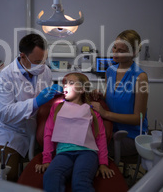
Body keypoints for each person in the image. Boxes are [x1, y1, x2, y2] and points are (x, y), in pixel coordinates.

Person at [0, 33, 62, 181]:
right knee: (6, 175)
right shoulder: (5, 77)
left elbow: (46, 101)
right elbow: (5, 113)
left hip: (38, 127)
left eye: (44, 60)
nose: (42, 65)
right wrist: (35, 102)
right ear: (23, 56)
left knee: (56, 167)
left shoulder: (45, 71)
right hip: (11, 131)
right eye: (37, 61)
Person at [35, 73, 114, 192]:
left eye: (71, 83)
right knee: (51, 177)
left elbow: (100, 136)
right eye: (65, 83)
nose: (66, 86)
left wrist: (103, 163)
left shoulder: (91, 110)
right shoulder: (57, 108)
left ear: (82, 89)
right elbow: (48, 133)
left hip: (87, 153)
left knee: (80, 181)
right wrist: (47, 160)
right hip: (63, 153)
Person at [91, 29, 149, 158]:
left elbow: (137, 119)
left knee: (90, 149)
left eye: (121, 51)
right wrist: (100, 96)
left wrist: (105, 113)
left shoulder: (140, 77)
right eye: (114, 48)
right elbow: (110, 99)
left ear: (133, 53)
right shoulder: (110, 71)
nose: (115, 53)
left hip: (129, 135)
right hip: (110, 128)